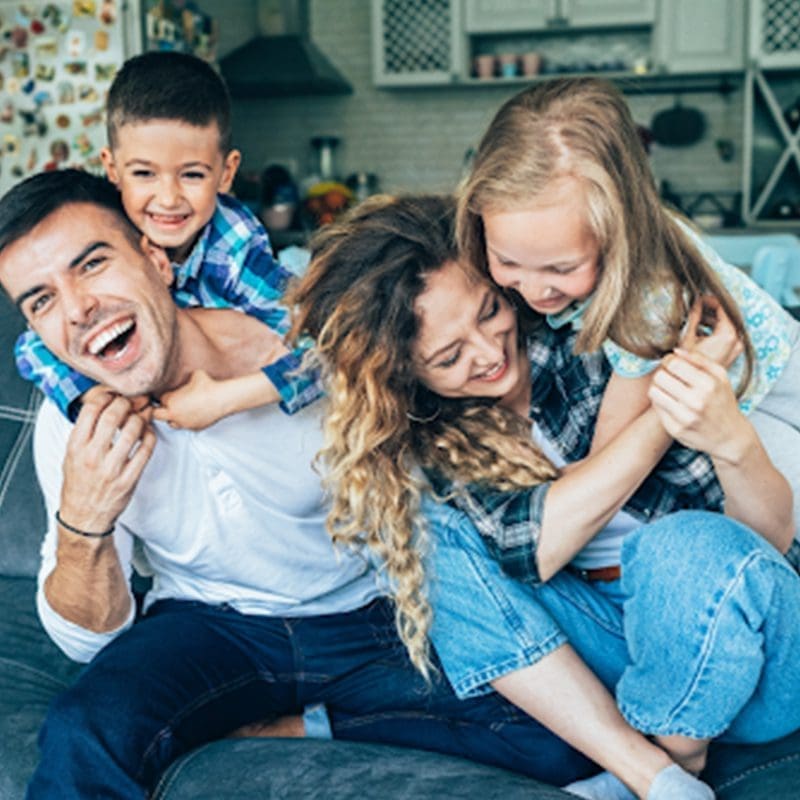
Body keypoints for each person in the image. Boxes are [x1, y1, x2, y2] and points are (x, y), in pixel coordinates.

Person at [0, 170, 599, 799]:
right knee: (84, 731)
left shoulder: (303, 349)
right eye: (40, 300)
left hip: (368, 615)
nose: (76, 308)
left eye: (92, 264)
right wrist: (85, 521)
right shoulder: (72, 420)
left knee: (556, 733)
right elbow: (87, 640)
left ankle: (289, 727)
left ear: (156, 259)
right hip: (210, 625)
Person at [288, 193, 800, 800]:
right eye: (448, 357)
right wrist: (665, 412)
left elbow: (758, 543)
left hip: (753, 648)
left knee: (678, 548)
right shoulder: (443, 438)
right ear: (406, 377)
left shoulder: (593, 336)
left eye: (487, 311)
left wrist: (666, 388)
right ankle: (654, 777)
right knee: (421, 530)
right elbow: (539, 548)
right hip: (623, 651)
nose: (488, 353)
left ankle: (669, 763)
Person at [456, 76, 800, 535]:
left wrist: (555, 484)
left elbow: (609, 452)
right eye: (508, 262)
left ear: (619, 233)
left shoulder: (648, 295)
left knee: (784, 524)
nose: (536, 292)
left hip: (778, 393)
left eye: (561, 270)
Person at [14, 51, 319, 429]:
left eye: (191, 175)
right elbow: (32, 347)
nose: (169, 198)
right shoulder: (106, 233)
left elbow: (327, 353)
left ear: (226, 174)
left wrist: (223, 399)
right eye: (144, 173)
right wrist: (90, 395)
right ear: (112, 169)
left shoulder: (233, 249)